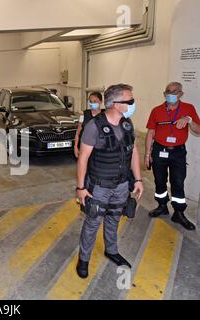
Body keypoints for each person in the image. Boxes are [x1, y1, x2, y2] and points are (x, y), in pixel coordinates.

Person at [76, 84, 144, 279]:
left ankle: (111, 250)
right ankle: (84, 258)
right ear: (116, 104)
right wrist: (81, 188)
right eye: (129, 101)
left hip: (122, 185)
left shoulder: (128, 123)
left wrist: (138, 179)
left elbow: (133, 152)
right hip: (99, 186)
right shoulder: (93, 126)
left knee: (114, 218)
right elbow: (83, 158)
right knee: (93, 222)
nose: (133, 104)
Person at [145, 82, 200, 230]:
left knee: (178, 181)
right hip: (159, 150)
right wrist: (147, 154)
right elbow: (150, 133)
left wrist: (189, 120)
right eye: (168, 91)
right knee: (160, 180)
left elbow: (198, 130)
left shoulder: (188, 109)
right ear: (164, 93)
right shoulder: (156, 111)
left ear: (181, 94)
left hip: (178, 152)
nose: (170, 94)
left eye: (174, 91)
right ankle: (162, 206)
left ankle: (179, 212)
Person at [74, 92, 104, 158]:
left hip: (100, 150)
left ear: (101, 101)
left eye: (95, 101)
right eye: (90, 101)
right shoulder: (84, 115)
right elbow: (78, 133)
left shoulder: (105, 115)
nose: (92, 103)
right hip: (85, 148)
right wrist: (75, 147)